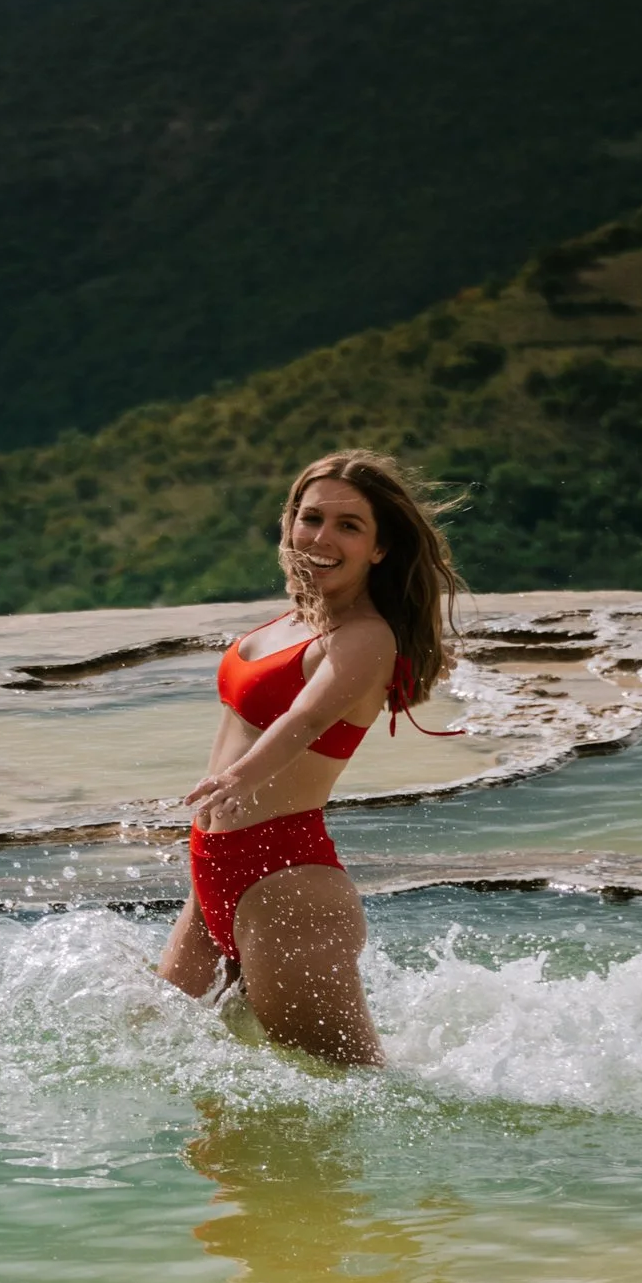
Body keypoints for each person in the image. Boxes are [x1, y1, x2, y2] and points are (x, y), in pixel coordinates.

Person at [157, 451, 464, 1068]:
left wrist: (236, 777)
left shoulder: (365, 637)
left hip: (286, 884)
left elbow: (307, 717)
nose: (322, 537)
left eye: (349, 526)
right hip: (214, 874)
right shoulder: (291, 622)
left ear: (379, 549)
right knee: (172, 1064)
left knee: (346, 1090)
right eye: (311, 517)